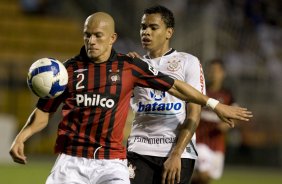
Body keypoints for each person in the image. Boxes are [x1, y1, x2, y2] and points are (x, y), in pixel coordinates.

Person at [9, 12, 252, 184]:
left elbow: (175, 87)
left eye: (97, 35)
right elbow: (44, 111)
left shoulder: (130, 66)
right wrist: (22, 136)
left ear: (112, 38)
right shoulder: (67, 70)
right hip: (71, 160)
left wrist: (214, 104)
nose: (91, 41)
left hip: (112, 162)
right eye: (87, 35)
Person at [126, 5, 203, 184]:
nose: (146, 32)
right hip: (139, 150)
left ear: (169, 32)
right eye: (143, 27)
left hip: (176, 153)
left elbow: (194, 113)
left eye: (153, 28)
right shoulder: (133, 65)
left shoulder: (188, 62)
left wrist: (177, 154)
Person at [191, 59, 235, 184]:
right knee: (203, 174)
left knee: (207, 178)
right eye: (211, 70)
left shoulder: (228, 95)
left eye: (217, 71)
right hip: (200, 139)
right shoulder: (202, 91)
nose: (214, 73)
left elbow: (235, 112)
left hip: (217, 143)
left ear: (223, 73)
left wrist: (227, 124)